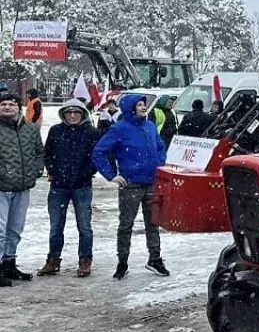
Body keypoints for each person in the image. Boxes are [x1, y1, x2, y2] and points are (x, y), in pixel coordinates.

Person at [92, 93, 169, 279]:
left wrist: (160, 162)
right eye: (140, 105)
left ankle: (155, 259)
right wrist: (111, 175)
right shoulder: (119, 129)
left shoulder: (150, 126)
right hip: (131, 184)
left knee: (153, 223)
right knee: (126, 224)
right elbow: (98, 152)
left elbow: (159, 146)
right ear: (130, 108)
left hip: (152, 182)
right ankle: (122, 262)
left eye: (144, 104)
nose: (144, 107)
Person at [39, 98, 99, 277]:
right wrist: (52, 170)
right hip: (59, 187)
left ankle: (85, 261)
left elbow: (98, 156)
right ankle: (53, 260)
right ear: (63, 114)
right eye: (69, 113)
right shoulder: (56, 130)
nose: (72, 116)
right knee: (56, 226)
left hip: (82, 187)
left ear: (83, 114)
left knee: (84, 227)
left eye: (76, 112)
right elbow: (47, 153)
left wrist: (87, 172)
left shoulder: (91, 132)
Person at [0, 92, 45, 282]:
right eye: (3, 104)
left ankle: (9, 263)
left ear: (19, 107)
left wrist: (36, 170)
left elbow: (38, 152)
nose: (8, 107)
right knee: (0, 230)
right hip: (2, 187)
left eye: (11, 104)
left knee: (15, 229)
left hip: (22, 187)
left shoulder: (31, 129)